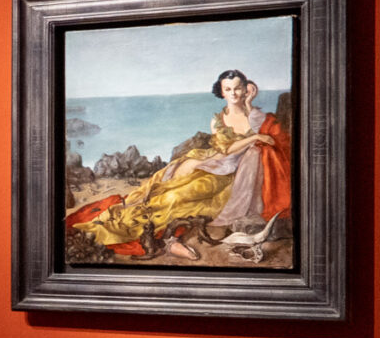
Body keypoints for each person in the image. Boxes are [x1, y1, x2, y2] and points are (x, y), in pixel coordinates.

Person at [67, 69, 289, 260]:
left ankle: (156, 233)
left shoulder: (256, 115)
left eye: (238, 88)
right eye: (228, 89)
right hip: (214, 163)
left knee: (177, 197)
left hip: (234, 175)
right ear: (221, 92)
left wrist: (249, 106)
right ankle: (124, 222)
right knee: (162, 186)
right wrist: (251, 139)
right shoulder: (218, 120)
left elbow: (270, 138)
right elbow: (225, 150)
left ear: (246, 89)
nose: (234, 93)